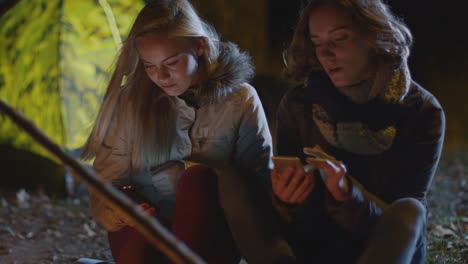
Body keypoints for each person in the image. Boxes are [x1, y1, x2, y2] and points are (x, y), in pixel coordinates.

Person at [81, 0, 293, 263]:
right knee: (130, 209)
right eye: (149, 65)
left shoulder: (239, 101)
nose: (161, 75)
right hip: (149, 230)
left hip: (209, 238)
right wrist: (122, 210)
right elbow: (105, 183)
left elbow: (255, 185)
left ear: (199, 46)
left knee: (199, 180)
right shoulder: (132, 103)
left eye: (171, 62)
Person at [271, 0, 445, 263]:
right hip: (316, 245)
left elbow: (399, 220)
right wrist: (287, 201)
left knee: (410, 210)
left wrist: (347, 195)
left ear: (374, 36)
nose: (326, 54)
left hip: (385, 246)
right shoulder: (299, 105)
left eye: (339, 38)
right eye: (317, 43)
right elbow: (296, 218)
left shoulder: (421, 112)